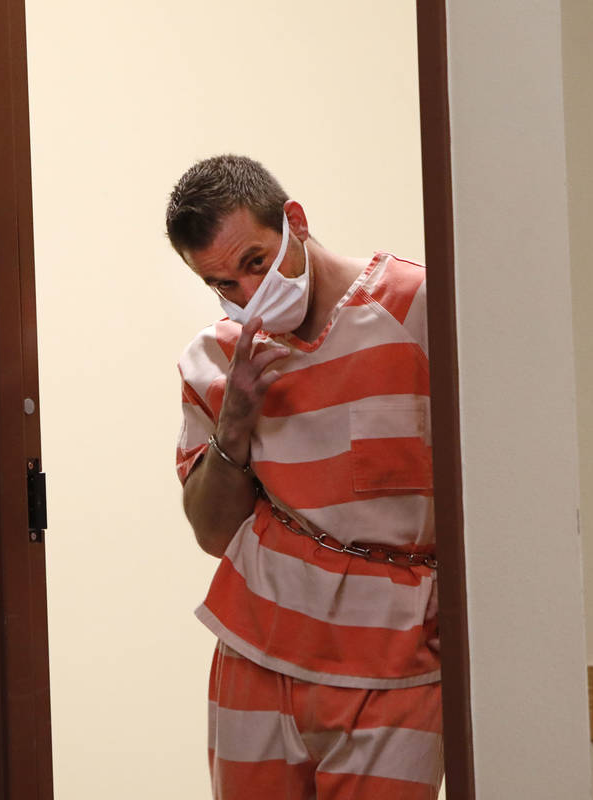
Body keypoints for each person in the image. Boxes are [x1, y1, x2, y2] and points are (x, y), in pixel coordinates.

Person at [167, 154, 443, 799]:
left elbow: (500, 475)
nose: (247, 294)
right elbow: (212, 533)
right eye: (222, 283)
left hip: (399, 659)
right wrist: (233, 425)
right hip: (258, 646)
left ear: (295, 221)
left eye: (256, 262)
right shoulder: (216, 355)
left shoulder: (420, 307)